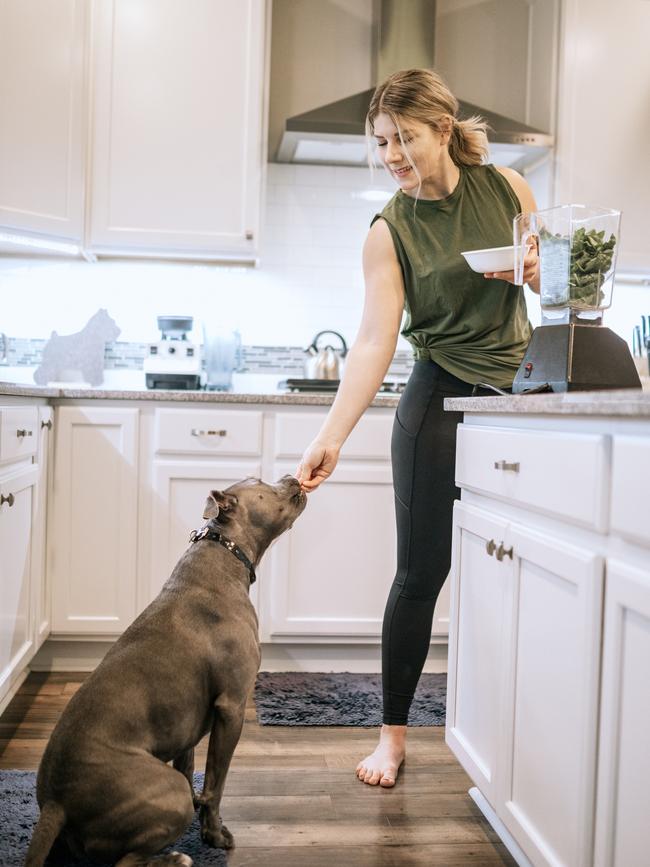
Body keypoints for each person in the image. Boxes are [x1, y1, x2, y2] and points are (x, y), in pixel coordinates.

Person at [296, 68, 540, 788]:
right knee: (420, 572)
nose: (393, 154)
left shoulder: (510, 189)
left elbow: (553, 282)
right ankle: (393, 735)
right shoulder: (388, 229)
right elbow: (375, 340)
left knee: (518, 566)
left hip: (519, 392)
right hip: (439, 393)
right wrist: (332, 434)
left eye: (404, 138)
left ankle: (510, 719)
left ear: (443, 128)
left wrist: (533, 271)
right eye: (382, 142)